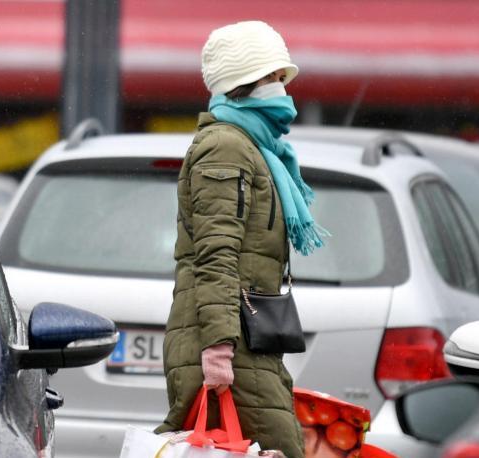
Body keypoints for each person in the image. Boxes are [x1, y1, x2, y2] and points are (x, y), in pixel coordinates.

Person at [156, 21, 326, 458]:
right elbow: (217, 253)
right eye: (272, 78)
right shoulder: (226, 148)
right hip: (230, 341)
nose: (282, 89)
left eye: (281, 78)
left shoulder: (255, 146)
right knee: (280, 447)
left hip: (248, 337)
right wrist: (218, 348)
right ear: (243, 83)